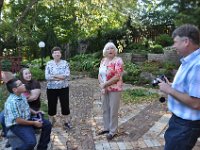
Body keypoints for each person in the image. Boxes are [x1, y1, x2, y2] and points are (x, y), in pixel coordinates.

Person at [158, 24, 200, 150]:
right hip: (180, 123)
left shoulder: (197, 65)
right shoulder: (188, 61)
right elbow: (189, 89)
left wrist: (169, 90)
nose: (173, 46)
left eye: (175, 42)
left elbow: (196, 103)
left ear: (186, 41)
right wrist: (170, 85)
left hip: (185, 126)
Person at [4, 78, 52, 150]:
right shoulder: (12, 103)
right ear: (15, 90)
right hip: (17, 125)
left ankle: (42, 148)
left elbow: (25, 107)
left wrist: (35, 112)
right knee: (31, 142)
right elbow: (19, 121)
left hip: (27, 118)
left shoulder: (21, 95)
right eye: (20, 84)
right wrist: (34, 123)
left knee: (47, 124)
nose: (23, 84)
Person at [98, 41, 124, 140]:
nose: (110, 50)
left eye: (112, 48)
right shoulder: (103, 60)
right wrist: (102, 86)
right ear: (105, 51)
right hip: (105, 89)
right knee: (105, 109)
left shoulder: (118, 61)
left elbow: (117, 76)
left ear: (115, 50)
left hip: (115, 89)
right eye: (108, 48)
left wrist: (104, 84)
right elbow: (99, 74)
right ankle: (107, 128)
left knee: (113, 110)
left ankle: (113, 131)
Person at [45, 46, 71, 129]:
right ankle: (51, 121)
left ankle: (66, 122)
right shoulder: (49, 64)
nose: (57, 54)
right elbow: (47, 77)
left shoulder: (65, 63)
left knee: (65, 105)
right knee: (51, 105)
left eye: (58, 52)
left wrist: (54, 76)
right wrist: (60, 76)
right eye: (55, 53)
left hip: (64, 88)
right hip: (51, 89)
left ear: (61, 54)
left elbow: (67, 75)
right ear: (52, 54)